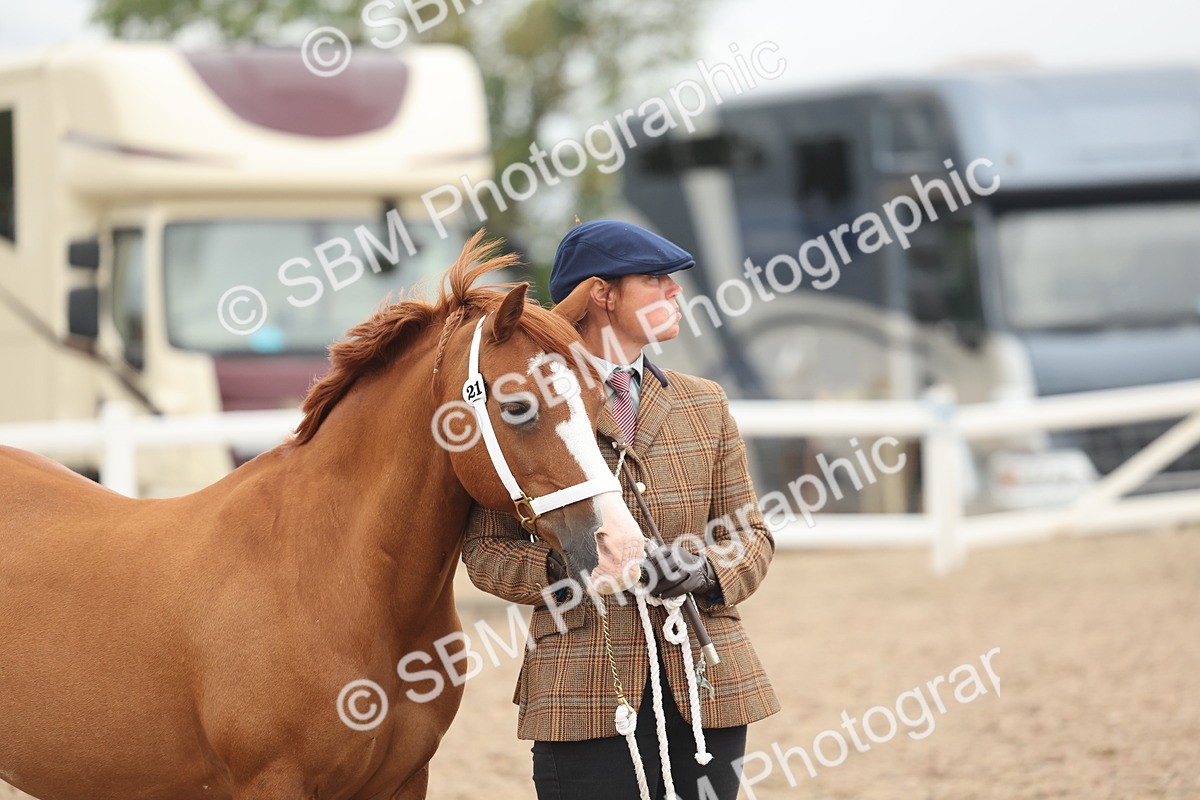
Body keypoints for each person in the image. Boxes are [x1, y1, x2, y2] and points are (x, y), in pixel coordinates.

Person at [462, 220, 778, 799]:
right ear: (602, 294)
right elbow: (484, 553)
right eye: (655, 280)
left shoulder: (703, 403)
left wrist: (704, 569)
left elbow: (753, 534)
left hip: (707, 680)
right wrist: (571, 568)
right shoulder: (528, 407)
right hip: (584, 685)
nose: (675, 292)